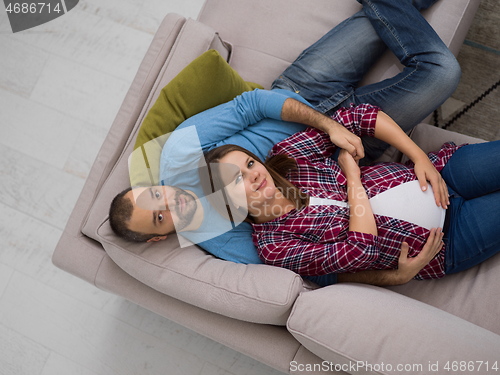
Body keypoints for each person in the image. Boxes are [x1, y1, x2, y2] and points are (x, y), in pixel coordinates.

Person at [110, 0, 461, 286]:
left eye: (157, 195)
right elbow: (316, 266)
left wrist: (326, 123)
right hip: (342, 154)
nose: (172, 203)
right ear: (160, 236)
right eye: (160, 218)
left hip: (304, 93)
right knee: (443, 72)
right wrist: (393, 277)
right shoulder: (220, 240)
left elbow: (250, 105)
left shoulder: (177, 155)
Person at [204, 103, 500, 285]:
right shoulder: (275, 247)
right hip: (450, 239)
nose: (254, 172)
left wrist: (419, 157)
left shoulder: (287, 157)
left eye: (250, 162)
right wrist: (353, 179)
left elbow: (359, 116)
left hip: (442, 171)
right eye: (236, 179)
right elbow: (360, 251)